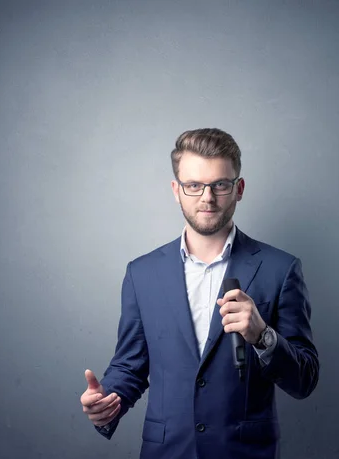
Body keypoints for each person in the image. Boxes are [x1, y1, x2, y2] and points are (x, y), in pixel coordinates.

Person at [80, 128, 319, 459]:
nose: (207, 197)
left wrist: (263, 336)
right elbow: (131, 367)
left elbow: (304, 379)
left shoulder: (281, 269)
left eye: (219, 184)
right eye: (194, 185)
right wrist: (107, 402)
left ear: (239, 189)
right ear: (177, 190)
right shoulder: (142, 273)